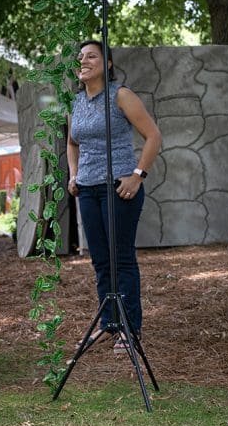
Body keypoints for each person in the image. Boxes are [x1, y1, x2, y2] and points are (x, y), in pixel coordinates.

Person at [67, 40, 162, 354]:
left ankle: (131, 330)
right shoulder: (76, 103)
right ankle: (109, 324)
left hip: (119, 187)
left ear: (107, 64)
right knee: (100, 262)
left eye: (92, 56)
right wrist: (73, 173)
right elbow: (72, 142)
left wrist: (138, 175)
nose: (84, 60)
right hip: (88, 191)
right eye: (80, 57)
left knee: (120, 260)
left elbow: (153, 136)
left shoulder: (120, 95)